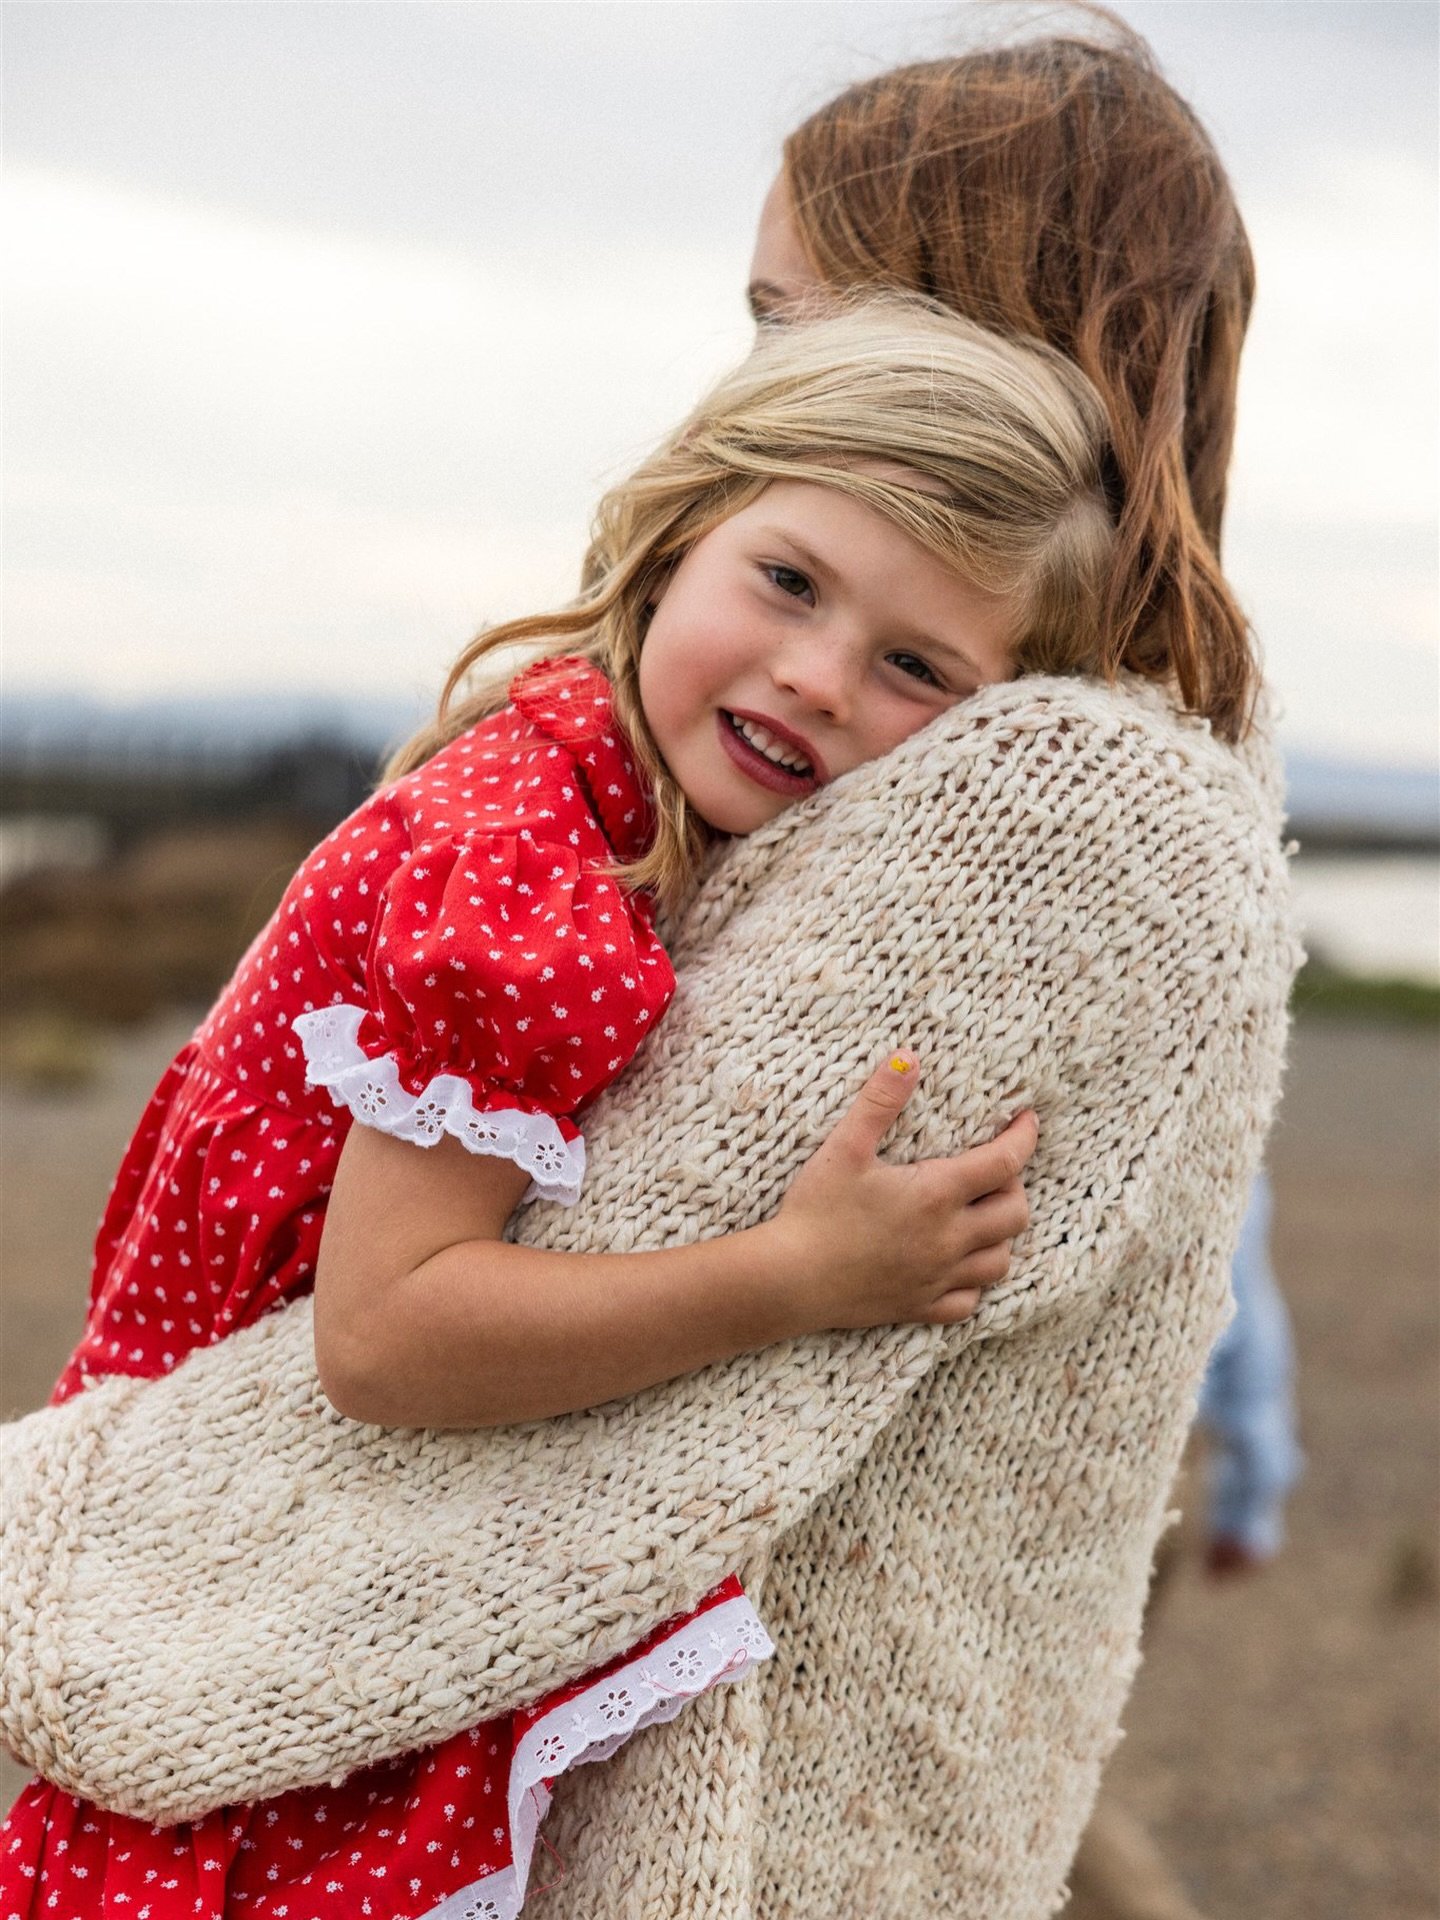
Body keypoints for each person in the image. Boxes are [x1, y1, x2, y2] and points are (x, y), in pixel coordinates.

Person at [0, 298, 1128, 1919]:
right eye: (789, 583)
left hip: (266, 1539)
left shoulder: (574, 767)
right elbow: (384, 1336)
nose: (815, 677)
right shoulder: (533, 890)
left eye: (915, 668)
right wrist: (801, 1279)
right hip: (274, 1559)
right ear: (683, 528)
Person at [743, 10, 1302, 1912]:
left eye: (792, 326)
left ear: (970, 352)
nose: (748, 386)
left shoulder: (1049, 795)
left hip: (790, 1790)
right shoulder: (1115, 727)